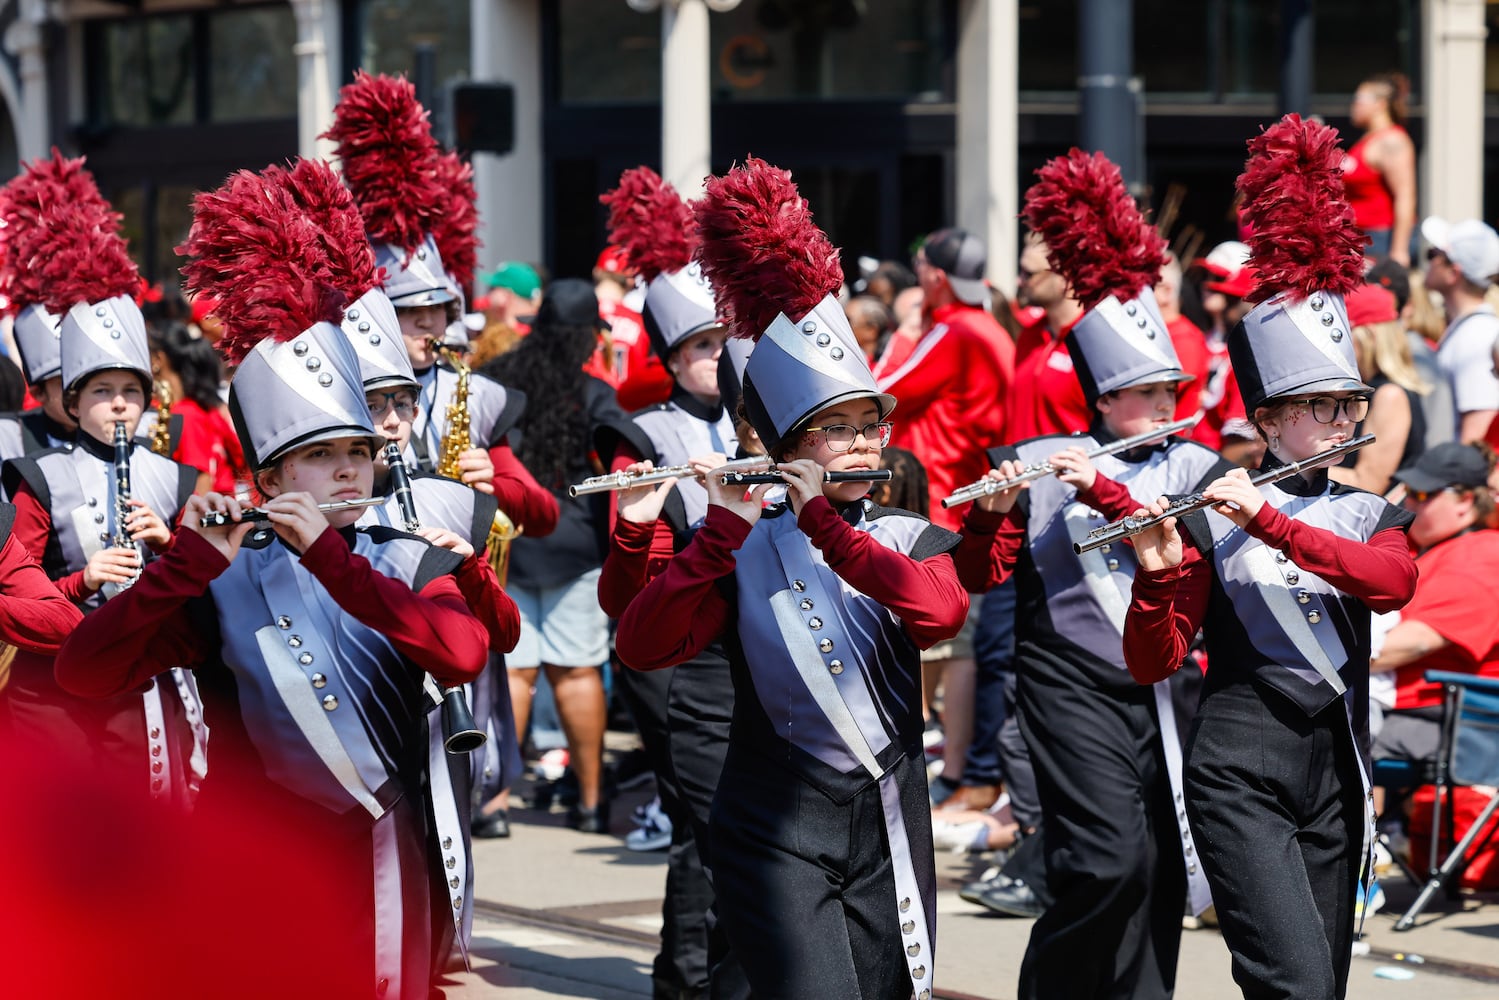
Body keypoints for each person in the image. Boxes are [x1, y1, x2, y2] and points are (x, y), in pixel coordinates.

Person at [55, 301, 490, 1000]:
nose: (348, 470)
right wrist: (183, 568)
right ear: (273, 478)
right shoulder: (224, 576)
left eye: (358, 452)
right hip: (252, 859)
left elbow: (464, 653)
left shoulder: (410, 561)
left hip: (380, 862)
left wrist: (331, 560)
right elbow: (85, 670)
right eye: (320, 455)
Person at [617, 158, 968, 1000]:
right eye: (830, 430)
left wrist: (821, 524)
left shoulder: (904, 527)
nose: (857, 444)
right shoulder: (734, 538)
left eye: (866, 426)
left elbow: (937, 614)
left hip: (886, 813)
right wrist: (715, 535)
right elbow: (642, 642)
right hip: (771, 818)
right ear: (777, 447)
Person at [1122, 115, 1419, 1000]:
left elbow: (1387, 583)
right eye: (1314, 408)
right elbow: (1154, 660)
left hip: (1337, 767)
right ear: (1266, 421)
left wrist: (1271, 522)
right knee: (1290, 984)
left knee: (1320, 987)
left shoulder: (1372, 511)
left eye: (1344, 406)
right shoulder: (1214, 510)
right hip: (1237, 766)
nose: (1338, 424)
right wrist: (1155, 573)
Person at [958, 149, 1230, 1000]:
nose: (1158, 405)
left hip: (1165, 683)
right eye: (1141, 393)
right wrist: (993, 511)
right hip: (1067, 680)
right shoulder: (1036, 460)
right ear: (1102, 400)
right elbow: (976, 572)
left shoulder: (1196, 463)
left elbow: (1188, 555)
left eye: (1167, 389)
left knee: (1155, 865)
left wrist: (1113, 487)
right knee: (1106, 860)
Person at [2, 153, 200, 805]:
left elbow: (214, 582)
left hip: (144, 677)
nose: (114, 405)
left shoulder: (166, 471)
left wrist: (169, 549)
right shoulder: (31, 464)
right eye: (91, 389)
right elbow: (19, 578)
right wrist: (83, 584)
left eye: (129, 391)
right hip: (50, 679)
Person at [594, 165, 745, 999]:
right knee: (699, 821)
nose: (714, 360)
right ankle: (683, 979)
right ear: (670, 356)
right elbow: (631, 561)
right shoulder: (640, 430)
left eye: (723, 341)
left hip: (746, 646)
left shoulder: (759, 413)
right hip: (675, 654)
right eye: (699, 348)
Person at [484, 279, 627, 833]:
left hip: (508, 539)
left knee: (513, 674)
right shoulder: (592, 392)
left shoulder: (496, 381)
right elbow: (625, 442)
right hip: (574, 544)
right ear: (589, 336)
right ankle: (591, 803)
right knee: (576, 671)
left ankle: (494, 805)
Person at [1371, 443, 1499, 769]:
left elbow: (1406, 646)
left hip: (1446, 719)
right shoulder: (1427, 547)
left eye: (1422, 494)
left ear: (1466, 500)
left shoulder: (1483, 554)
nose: (1409, 503)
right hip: (1401, 708)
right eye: (1408, 491)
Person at [1330, 284, 1428, 494]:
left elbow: (1369, 483)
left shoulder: (1390, 396)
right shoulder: (1368, 390)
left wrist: (1290, 465)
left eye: (1339, 336)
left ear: (1370, 336)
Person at [1420, 215, 1499, 443]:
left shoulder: (1476, 336)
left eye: (1433, 255)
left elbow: (1476, 439)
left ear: (1453, 272)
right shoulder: (1470, 330)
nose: (1429, 262)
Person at [150, 321, 248, 495]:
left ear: (158, 359)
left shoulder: (186, 414)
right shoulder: (198, 408)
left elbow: (200, 481)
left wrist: (191, 522)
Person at [1009, 232, 1088, 441]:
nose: (1020, 280)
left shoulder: (1093, 343)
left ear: (1065, 277)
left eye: (1029, 273)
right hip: (1019, 470)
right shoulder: (1030, 334)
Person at [1343, 73, 1417, 264]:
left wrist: (1399, 251)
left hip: (1379, 240)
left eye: (1359, 99)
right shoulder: (1367, 140)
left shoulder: (1392, 141)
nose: (1354, 105)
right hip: (1359, 238)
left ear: (1380, 104)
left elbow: (1405, 196)